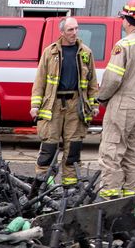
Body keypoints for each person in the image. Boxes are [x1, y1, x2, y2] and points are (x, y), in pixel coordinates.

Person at [95, 0, 135, 198]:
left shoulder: (124, 45)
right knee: (132, 153)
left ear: (128, 20)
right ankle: (131, 194)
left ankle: (110, 196)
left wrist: (102, 98)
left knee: (112, 151)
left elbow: (113, 78)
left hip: (123, 104)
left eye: (123, 18)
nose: (122, 22)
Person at [29, 16, 98, 189]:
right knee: (49, 148)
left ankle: (70, 189)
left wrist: (94, 105)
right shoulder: (50, 52)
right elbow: (40, 81)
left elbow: (92, 82)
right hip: (53, 105)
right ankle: (44, 187)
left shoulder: (86, 53)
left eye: (76, 29)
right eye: (70, 30)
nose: (74, 33)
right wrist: (35, 106)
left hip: (76, 106)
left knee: (73, 149)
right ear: (62, 32)